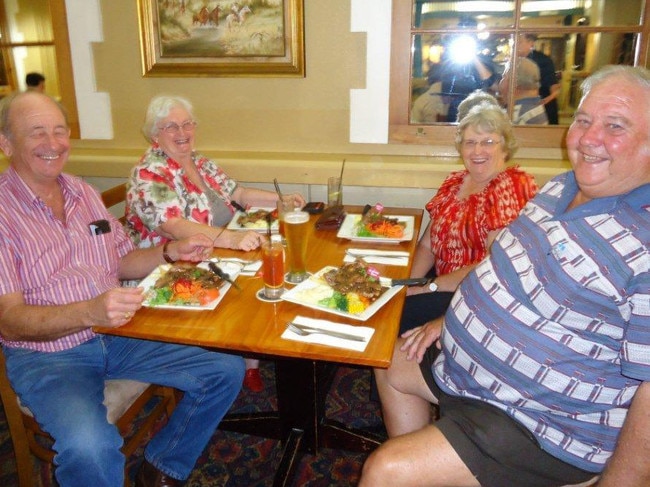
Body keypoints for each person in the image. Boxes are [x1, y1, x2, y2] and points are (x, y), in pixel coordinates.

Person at [360, 65, 650, 487]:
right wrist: (448, 320)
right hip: (471, 374)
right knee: (389, 356)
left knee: (387, 471)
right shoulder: (558, 189)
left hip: (542, 423)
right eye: (584, 120)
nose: (590, 138)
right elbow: (500, 269)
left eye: (615, 126)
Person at [0, 91, 246, 487]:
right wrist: (89, 312)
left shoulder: (81, 192)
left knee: (224, 369)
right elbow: (9, 322)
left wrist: (169, 251)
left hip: (116, 333)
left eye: (59, 131)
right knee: (90, 449)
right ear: (6, 143)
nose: (52, 143)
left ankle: (164, 465)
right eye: (36, 133)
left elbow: (122, 260)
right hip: (50, 357)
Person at [126, 95, 306, 393]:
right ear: (155, 134)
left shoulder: (198, 161)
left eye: (187, 124)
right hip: (172, 269)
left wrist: (281, 199)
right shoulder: (149, 173)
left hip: (215, 253)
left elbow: (239, 193)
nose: (182, 132)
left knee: (276, 270)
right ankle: (241, 355)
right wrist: (231, 239)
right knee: (259, 287)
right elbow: (173, 226)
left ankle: (251, 356)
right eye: (171, 126)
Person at [399, 101, 537, 335]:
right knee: (387, 302)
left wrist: (429, 287)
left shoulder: (509, 187)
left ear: (505, 148)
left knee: (392, 318)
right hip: (440, 284)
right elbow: (427, 245)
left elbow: (494, 264)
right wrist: (406, 284)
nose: (477, 151)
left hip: (477, 295)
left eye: (488, 142)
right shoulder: (455, 182)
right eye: (470, 142)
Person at [520, 33, 561, 124]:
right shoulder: (514, 60)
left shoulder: (543, 60)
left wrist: (545, 100)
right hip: (521, 105)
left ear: (530, 43)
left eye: (519, 42)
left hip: (541, 106)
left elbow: (553, 86)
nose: (514, 44)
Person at [502, 56, 549, 125]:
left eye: (503, 77)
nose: (501, 82)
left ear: (513, 83)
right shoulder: (535, 107)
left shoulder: (516, 114)